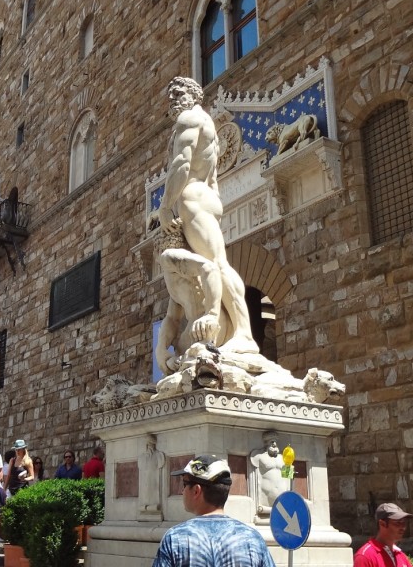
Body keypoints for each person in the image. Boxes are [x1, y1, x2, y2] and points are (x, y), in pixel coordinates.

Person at [153, 76, 259, 371]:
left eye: (178, 92)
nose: (173, 99)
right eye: (171, 94)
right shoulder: (202, 122)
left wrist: (164, 206)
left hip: (193, 197)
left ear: (193, 95)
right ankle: (230, 332)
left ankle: (245, 336)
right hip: (202, 197)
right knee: (208, 267)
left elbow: (182, 164)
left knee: (217, 264)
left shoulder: (190, 118)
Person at [153, 454, 276, 567]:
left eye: (184, 484)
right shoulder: (252, 539)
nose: (182, 491)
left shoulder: (175, 539)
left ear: (196, 490)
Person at [353, 503, 413, 567]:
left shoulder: (400, 555)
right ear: (382, 524)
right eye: (398, 523)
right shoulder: (365, 556)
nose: (403, 527)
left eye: (404, 523)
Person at [249, 437, 284, 518]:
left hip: (282, 498)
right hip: (265, 501)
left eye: (275, 442)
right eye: (272, 442)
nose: (274, 444)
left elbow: (288, 477)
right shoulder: (260, 456)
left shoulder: (282, 458)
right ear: (266, 444)